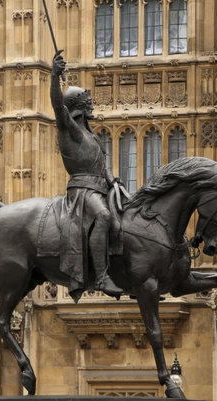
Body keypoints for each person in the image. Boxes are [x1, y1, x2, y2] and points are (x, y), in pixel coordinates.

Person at [50, 50, 123, 298]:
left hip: (101, 186)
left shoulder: (91, 136)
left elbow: (101, 163)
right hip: (83, 191)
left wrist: (112, 177)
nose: (92, 106)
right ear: (78, 107)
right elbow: (58, 107)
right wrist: (54, 76)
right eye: (87, 102)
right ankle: (102, 278)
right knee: (103, 216)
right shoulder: (70, 130)